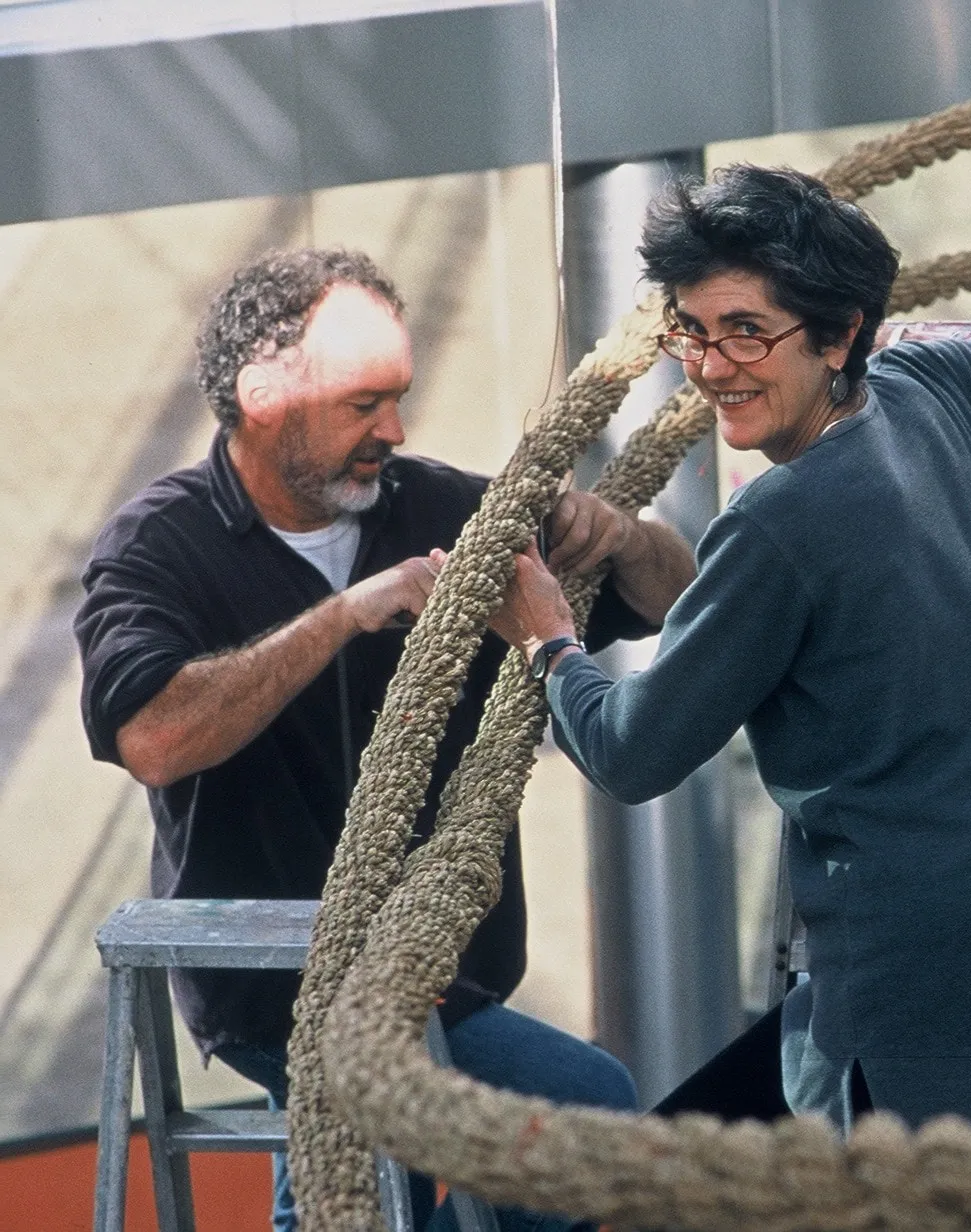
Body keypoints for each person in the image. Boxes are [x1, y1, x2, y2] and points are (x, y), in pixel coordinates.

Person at [488, 166, 971, 1129]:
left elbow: (630, 751)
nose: (712, 366)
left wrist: (548, 639)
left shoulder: (780, 521)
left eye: (746, 332)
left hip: (914, 995)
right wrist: (908, 345)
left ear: (842, 330)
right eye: (694, 329)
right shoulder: (939, 387)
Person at [74, 248, 697, 1232]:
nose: (394, 431)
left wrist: (619, 534)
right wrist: (348, 614)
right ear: (265, 395)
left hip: (448, 971)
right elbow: (151, 735)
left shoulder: (448, 506)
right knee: (362, 1170)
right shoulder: (158, 548)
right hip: (275, 989)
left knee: (592, 1114)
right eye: (364, 404)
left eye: (397, 400)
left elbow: (673, 596)